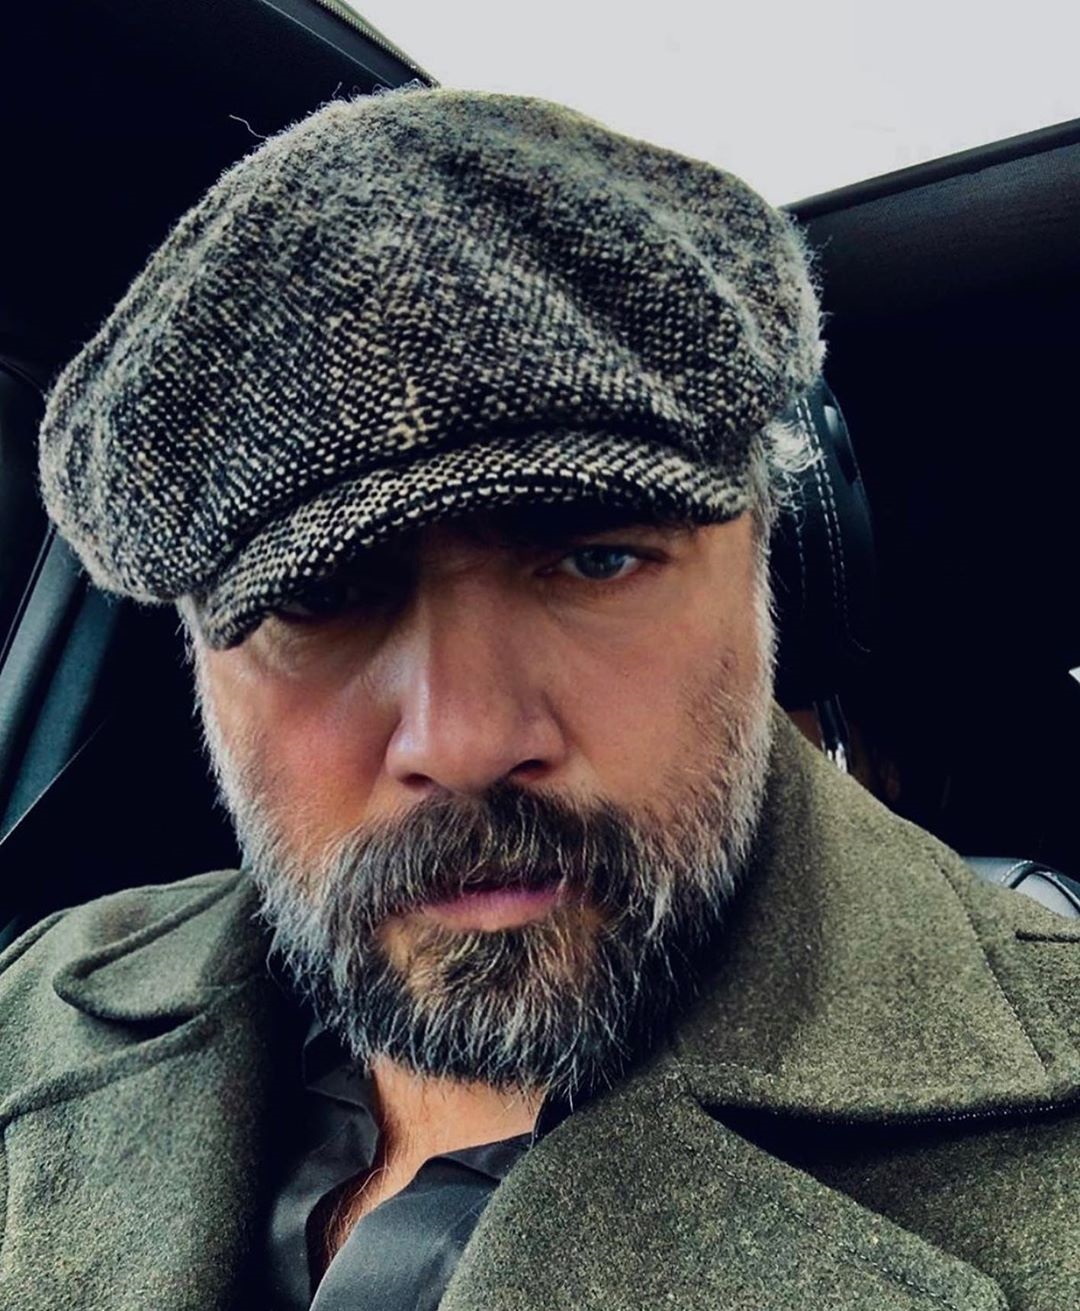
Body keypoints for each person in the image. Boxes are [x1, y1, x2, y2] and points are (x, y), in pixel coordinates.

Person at [3, 87, 1077, 1311]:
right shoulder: (35, 1001)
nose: (463, 741)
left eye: (597, 559)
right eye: (321, 595)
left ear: (769, 571)